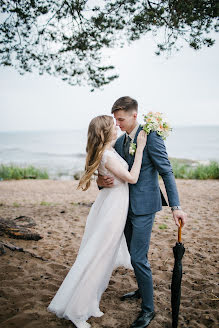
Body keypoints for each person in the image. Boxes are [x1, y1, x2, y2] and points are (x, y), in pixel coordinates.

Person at [47, 115, 147, 328]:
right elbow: (132, 178)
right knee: (98, 258)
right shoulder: (107, 155)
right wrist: (139, 150)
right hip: (112, 209)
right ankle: (77, 312)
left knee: (104, 258)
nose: (117, 127)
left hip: (113, 205)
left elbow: (105, 174)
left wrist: (100, 179)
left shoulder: (107, 152)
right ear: (105, 132)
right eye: (113, 125)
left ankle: (90, 304)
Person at [97, 96, 187, 328]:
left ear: (135, 115)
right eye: (115, 120)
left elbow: (166, 171)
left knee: (138, 257)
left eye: (121, 119)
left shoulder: (151, 137)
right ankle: (142, 289)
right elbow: (110, 167)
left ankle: (148, 310)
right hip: (122, 206)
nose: (117, 124)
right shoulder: (119, 141)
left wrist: (176, 208)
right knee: (135, 255)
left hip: (145, 206)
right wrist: (101, 181)